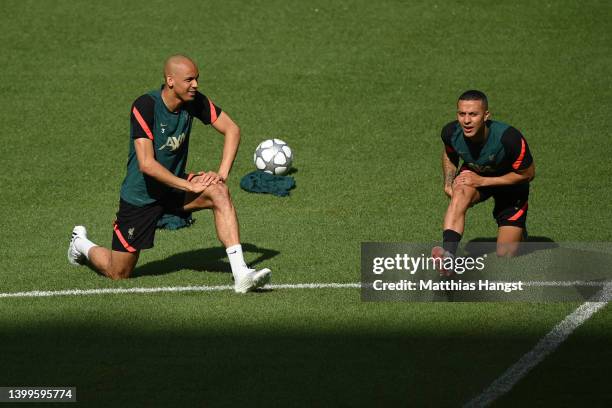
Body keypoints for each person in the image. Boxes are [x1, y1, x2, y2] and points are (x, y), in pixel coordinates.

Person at [67, 55, 271, 293]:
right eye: (190, 80)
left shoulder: (194, 101)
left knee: (219, 192)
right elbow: (146, 164)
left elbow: (232, 130)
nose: (195, 85)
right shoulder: (145, 106)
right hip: (141, 197)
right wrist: (188, 186)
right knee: (118, 272)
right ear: (170, 80)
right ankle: (80, 243)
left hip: (174, 188)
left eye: (197, 79)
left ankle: (241, 274)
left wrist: (221, 175)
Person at [433, 90, 535, 274]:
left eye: (473, 114)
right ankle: (448, 255)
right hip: (475, 175)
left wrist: (483, 180)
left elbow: (527, 174)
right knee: (460, 192)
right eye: (462, 114)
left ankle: (520, 232)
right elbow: (450, 154)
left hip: (511, 186)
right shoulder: (451, 132)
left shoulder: (509, 138)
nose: (466, 120)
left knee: (505, 254)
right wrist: (449, 181)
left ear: (486, 115)